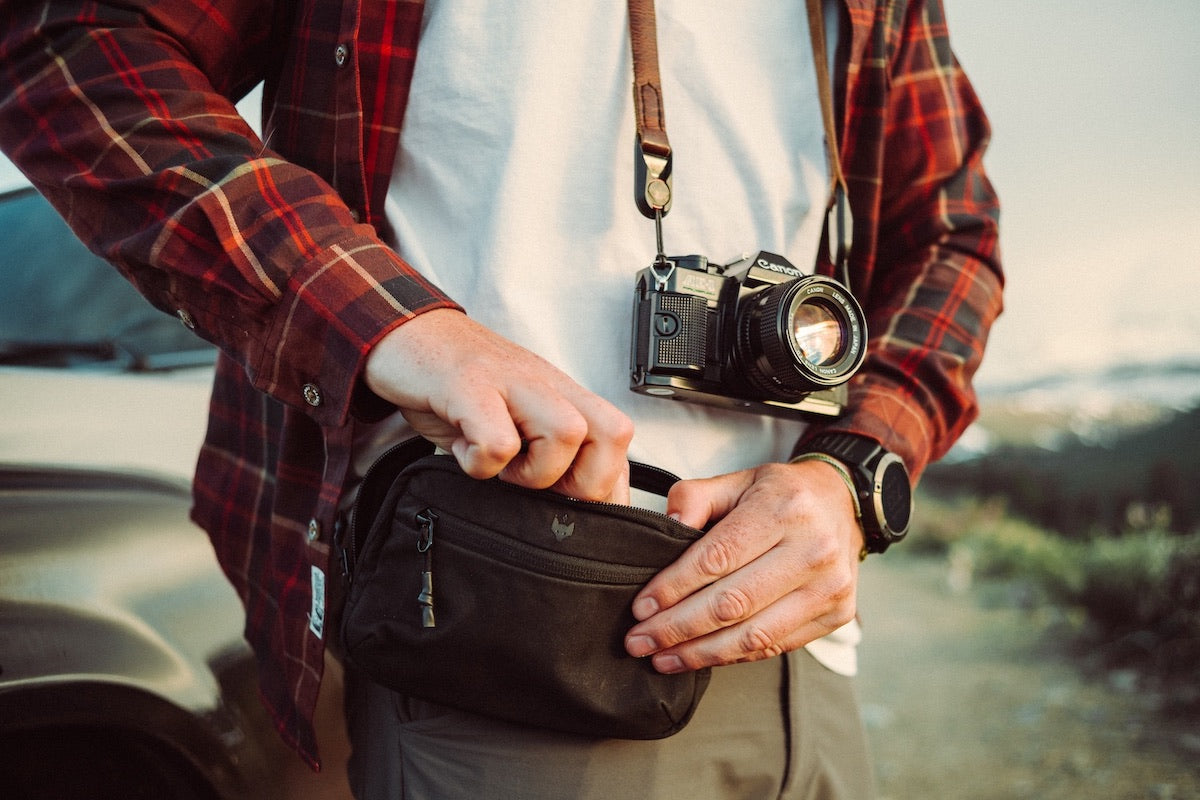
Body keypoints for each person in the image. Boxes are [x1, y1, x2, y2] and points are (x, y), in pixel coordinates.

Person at [0, 1, 1002, 797]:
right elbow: (66, 40)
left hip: (810, 654)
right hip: (519, 636)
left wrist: (852, 472)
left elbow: (954, 233)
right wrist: (387, 322)